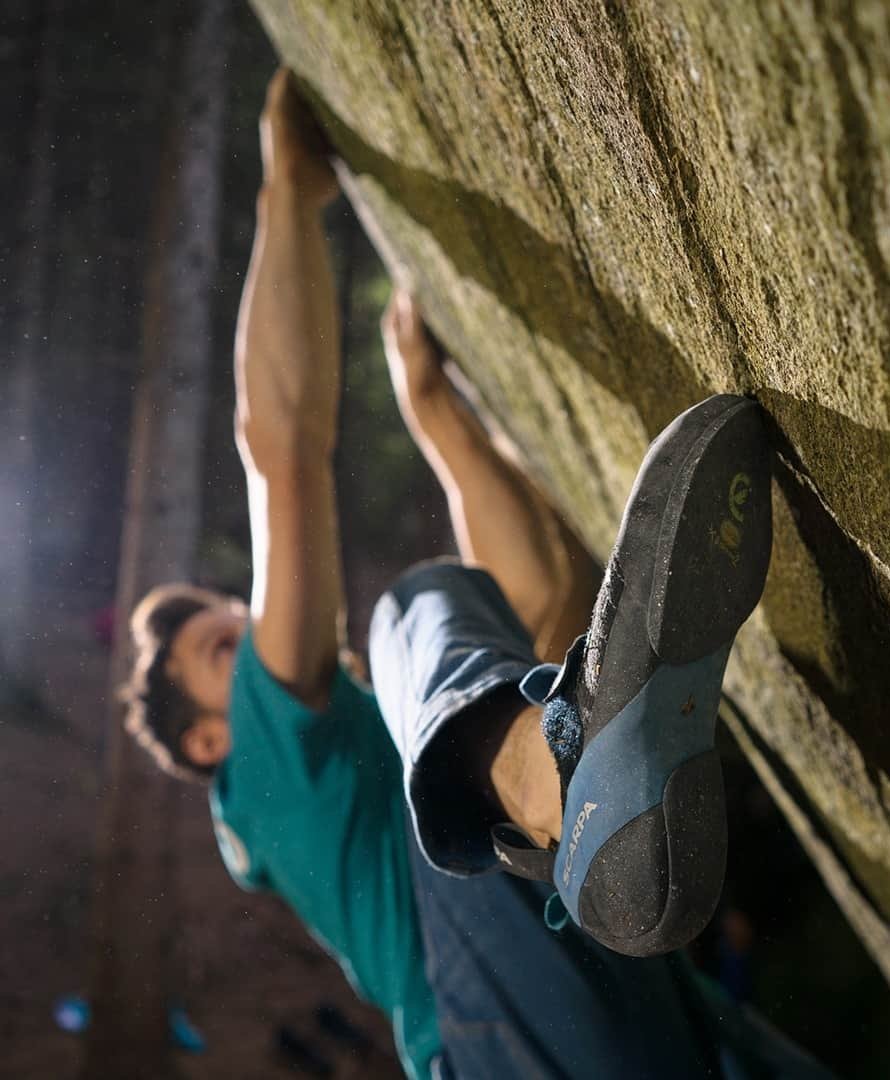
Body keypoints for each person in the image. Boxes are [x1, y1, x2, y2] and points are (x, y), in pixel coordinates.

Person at [123, 71, 827, 1080]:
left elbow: (538, 601)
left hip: (628, 1016)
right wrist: (287, 185)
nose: (266, 629)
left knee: (479, 672)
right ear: (204, 739)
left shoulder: (385, 764)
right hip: (496, 1039)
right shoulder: (258, 778)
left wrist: (436, 411)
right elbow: (280, 449)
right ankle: (561, 785)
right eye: (223, 647)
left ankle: (560, 783)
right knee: (411, 611)